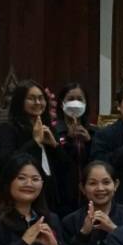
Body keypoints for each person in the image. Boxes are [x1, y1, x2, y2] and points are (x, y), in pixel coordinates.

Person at [0, 81, 70, 210]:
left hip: (50, 197)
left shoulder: (49, 129)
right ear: (20, 101)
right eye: (31, 98)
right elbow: (7, 162)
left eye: (41, 98)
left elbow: (65, 167)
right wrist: (34, 142)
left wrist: (55, 146)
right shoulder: (8, 129)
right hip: (21, 196)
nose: (38, 102)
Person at [52, 82, 98, 217]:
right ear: (62, 103)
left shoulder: (95, 132)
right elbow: (57, 162)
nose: (75, 103)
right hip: (61, 194)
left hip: (91, 193)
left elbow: (99, 161)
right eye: (70, 99)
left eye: (79, 99)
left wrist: (89, 141)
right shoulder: (53, 131)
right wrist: (69, 140)